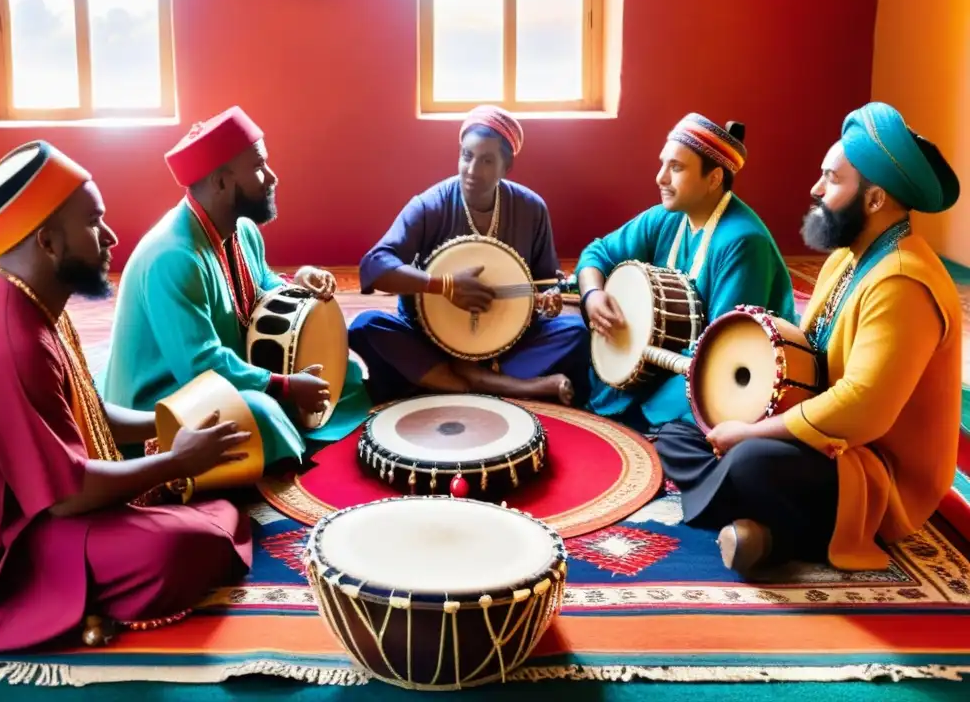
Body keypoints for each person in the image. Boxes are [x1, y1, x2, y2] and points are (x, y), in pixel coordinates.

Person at [0, 141, 252, 652]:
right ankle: (66, 599)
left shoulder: (37, 303)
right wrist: (176, 462)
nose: (110, 236)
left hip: (49, 499)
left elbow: (87, 410)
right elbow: (67, 498)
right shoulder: (10, 345)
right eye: (93, 222)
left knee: (215, 506)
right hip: (12, 545)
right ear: (47, 242)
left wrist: (167, 428)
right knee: (184, 546)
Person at [655, 102, 962, 576]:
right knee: (682, 427)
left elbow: (862, 408)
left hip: (871, 468)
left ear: (875, 199)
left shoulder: (903, 282)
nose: (815, 189)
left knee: (751, 458)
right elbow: (809, 348)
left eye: (832, 180)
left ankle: (780, 537)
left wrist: (750, 431)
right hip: (821, 437)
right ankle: (763, 527)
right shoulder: (850, 256)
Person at [102, 106, 370, 472]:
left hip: (231, 370)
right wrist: (286, 386)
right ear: (221, 182)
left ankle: (284, 428)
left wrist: (297, 283)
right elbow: (201, 367)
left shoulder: (242, 230)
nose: (272, 177)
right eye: (259, 166)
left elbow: (259, 291)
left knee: (346, 372)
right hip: (161, 402)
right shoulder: (173, 258)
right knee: (262, 411)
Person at [348, 105, 590, 406]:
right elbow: (375, 265)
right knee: (366, 326)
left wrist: (548, 301)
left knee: (577, 331)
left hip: (502, 341)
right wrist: (444, 285)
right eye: (467, 156)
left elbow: (543, 283)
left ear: (506, 167)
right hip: (430, 337)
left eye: (487, 161)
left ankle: (444, 379)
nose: (472, 170)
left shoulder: (532, 209)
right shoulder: (431, 204)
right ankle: (494, 385)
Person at [575, 113, 796, 433]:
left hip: (721, 370)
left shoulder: (743, 242)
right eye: (662, 164)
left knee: (674, 421)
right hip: (665, 358)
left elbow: (725, 351)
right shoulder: (667, 217)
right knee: (578, 338)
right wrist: (593, 296)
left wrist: (642, 356)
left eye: (676, 167)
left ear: (714, 178)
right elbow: (597, 253)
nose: (660, 178)